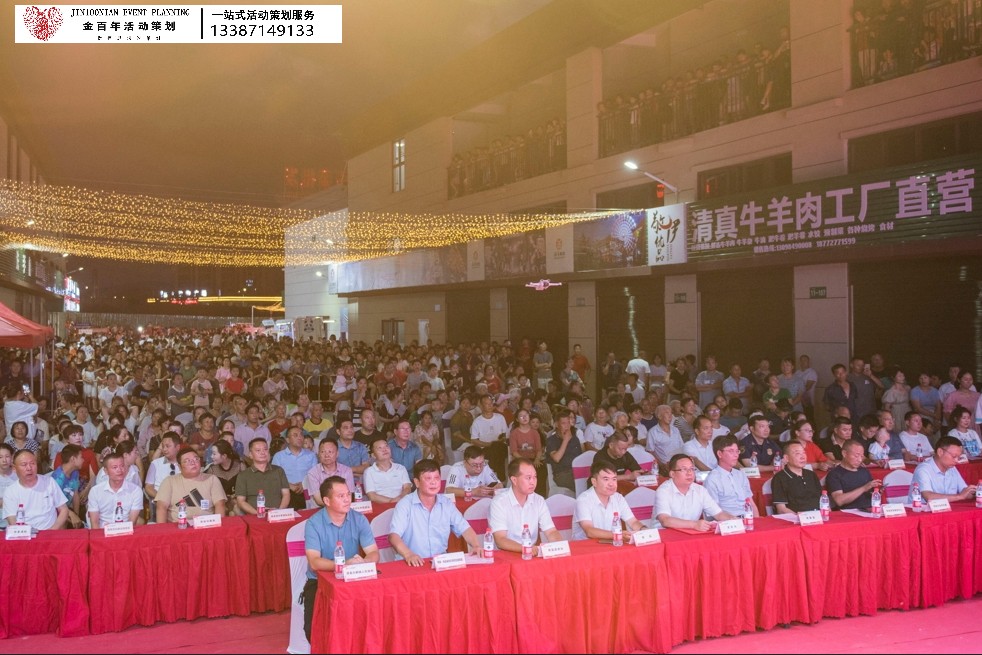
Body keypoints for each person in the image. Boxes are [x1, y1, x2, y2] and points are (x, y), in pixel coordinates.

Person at [303, 475, 379, 643]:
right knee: (313, 630)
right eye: (340, 496)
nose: (347, 499)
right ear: (326, 501)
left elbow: (373, 552)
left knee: (370, 622)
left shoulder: (359, 519)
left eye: (348, 494)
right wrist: (344, 565)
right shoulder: (313, 524)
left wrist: (362, 564)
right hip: (319, 582)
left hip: (353, 578)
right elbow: (314, 562)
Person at [389, 459, 483, 565]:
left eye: (437, 478)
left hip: (439, 563)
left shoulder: (446, 504)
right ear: (417, 482)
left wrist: (476, 546)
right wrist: (408, 554)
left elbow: (465, 529)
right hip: (410, 563)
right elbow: (394, 536)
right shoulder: (405, 504)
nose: (433, 482)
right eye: (428, 478)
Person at [488, 457, 563, 556]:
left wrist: (559, 547)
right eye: (528, 478)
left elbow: (551, 531)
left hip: (531, 555)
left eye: (535, 477)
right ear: (514, 480)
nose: (533, 482)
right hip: (506, 555)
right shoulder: (499, 503)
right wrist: (525, 548)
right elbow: (500, 540)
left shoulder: (539, 500)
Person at [653, 453, 734, 531]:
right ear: (672, 474)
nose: (689, 473)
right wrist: (694, 524)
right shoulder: (664, 491)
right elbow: (665, 520)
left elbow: (719, 514)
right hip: (664, 534)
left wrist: (735, 520)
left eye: (692, 469)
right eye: (684, 469)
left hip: (690, 533)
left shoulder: (700, 490)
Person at [573, 460, 644, 541]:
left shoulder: (618, 498)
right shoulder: (583, 500)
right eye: (606, 479)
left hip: (611, 543)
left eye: (614, 479)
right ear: (594, 482)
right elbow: (589, 531)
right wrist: (617, 535)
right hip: (587, 546)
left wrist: (645, 530)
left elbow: (633, 522)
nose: (611, 484)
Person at [155, 446, 226, 523]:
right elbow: (161, 507)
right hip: (178, 525)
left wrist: (219, 526)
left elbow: (220, 505)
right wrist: (162, 529)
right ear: (179, 466)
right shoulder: (169, 481)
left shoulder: (212, 479)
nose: (193, 463)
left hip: (206, 524)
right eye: (187, 461)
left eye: (196, 459)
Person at [3, 450, 68, 530]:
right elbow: (12, 520)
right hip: (25, 533)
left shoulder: (49, 482)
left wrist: (53, 529)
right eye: (24, 464)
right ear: (14, 468)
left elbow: (63, 509)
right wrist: (30, 532)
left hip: (51, 531)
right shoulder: (10, 491)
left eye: (32, 463)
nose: (29, 468)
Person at [907, 435, 977, 504]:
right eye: (954, 456)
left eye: (959, 457)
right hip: (922, 510)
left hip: (947, 508)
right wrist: (960, 496)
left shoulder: (952, 468)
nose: (957, 461)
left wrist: (975, 492)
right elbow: (929, 497)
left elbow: (964, 491)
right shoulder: (923, 470)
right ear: (940, 452)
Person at [704, 435, 758, 517]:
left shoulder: (741, 475)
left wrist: (757, 520)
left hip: (747, 518)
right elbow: (714, 511)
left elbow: (751, 503)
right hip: (728, 521)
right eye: (731, 451)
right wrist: (735, 520)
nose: (736, 455)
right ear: (719, 454)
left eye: (737, 451)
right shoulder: (712, 479)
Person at [235, 437, 290, 516]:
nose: (263, 452)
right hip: (255, 516)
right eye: (258, 450)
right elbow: (241, 501)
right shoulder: (243, 475)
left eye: (265, 449)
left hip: (278, 515)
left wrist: (278, 513)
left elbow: (286, 494)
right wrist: (258, 513)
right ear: (250, 454)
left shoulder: (278, 470)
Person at [87, 450, 144, 527]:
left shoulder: (136, 491)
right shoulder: (95, 491)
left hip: (126, 530)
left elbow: (131, 523)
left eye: (122, 466)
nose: (120, 470)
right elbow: (94, 523)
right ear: (106, 471)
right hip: (102, 531)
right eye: (115, 467)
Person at [272, 425, 318, 510]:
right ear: (287, 439)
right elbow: (275, 477)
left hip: (307, 489)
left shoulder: (311, 455)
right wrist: (289, 486)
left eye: (301, 435)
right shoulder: (279, 456)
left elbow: (315, 475)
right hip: (286, 491)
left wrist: (303, 484)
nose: (299, 437)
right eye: (295, 435)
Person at [825, 439, 880, 510]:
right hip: (848, 512)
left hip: (869, 509)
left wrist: (877, 491)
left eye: (861, 456)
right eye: (856, 456)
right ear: (844, 454)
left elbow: (870, 491)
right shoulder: (834, 474)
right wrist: (863, 488)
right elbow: (839, 500)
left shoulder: (864, 471)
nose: (860, 460)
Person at [771, 441, 822, 514]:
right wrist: (800, 517)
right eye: (797, 453)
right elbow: (781, 509)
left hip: (818, 516)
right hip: (795, 518)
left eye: (804, 453)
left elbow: (823, 500)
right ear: (786, 458)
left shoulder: (811, 475)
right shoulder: (779, 478)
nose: (802, 457)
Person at [305, 439, 355, 507]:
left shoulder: (347, 471)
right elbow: (319, 500)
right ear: (318, 454)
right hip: (321, 509)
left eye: (330, 452)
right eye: (323, 452)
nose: (326, 455)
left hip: (342, 508)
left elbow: (349, 496)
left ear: (337, 454)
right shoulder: (313, 473)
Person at [363, 438, 411, 504]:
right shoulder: (369, 472)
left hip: (402, 504)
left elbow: (407, 488)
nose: (384, 450)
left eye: (386, 446)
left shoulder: (400, 468)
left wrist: (399, 499)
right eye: (379, 448)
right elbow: (372, 496)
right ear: (373, 455)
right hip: (381, 506)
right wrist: (392, 501)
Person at [545, 409, 583, 492]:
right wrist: (565, 440)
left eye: (568, 423)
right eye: (563, 423)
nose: (567, 426)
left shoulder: (575, 439)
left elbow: (580, 458)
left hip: (577, 471)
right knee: (581, 485)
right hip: (562, 474)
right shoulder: (551, 440)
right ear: (557, 424)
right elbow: (556, 458)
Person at [646, 404, 685, 470]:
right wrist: (661, 465)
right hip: (665, 465)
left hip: (679, 463)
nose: (670, 416)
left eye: (671, 413)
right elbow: (650, 452)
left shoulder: (675, 430)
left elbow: (682, 446)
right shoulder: (653, 432)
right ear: (659, 416)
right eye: (667, 413)